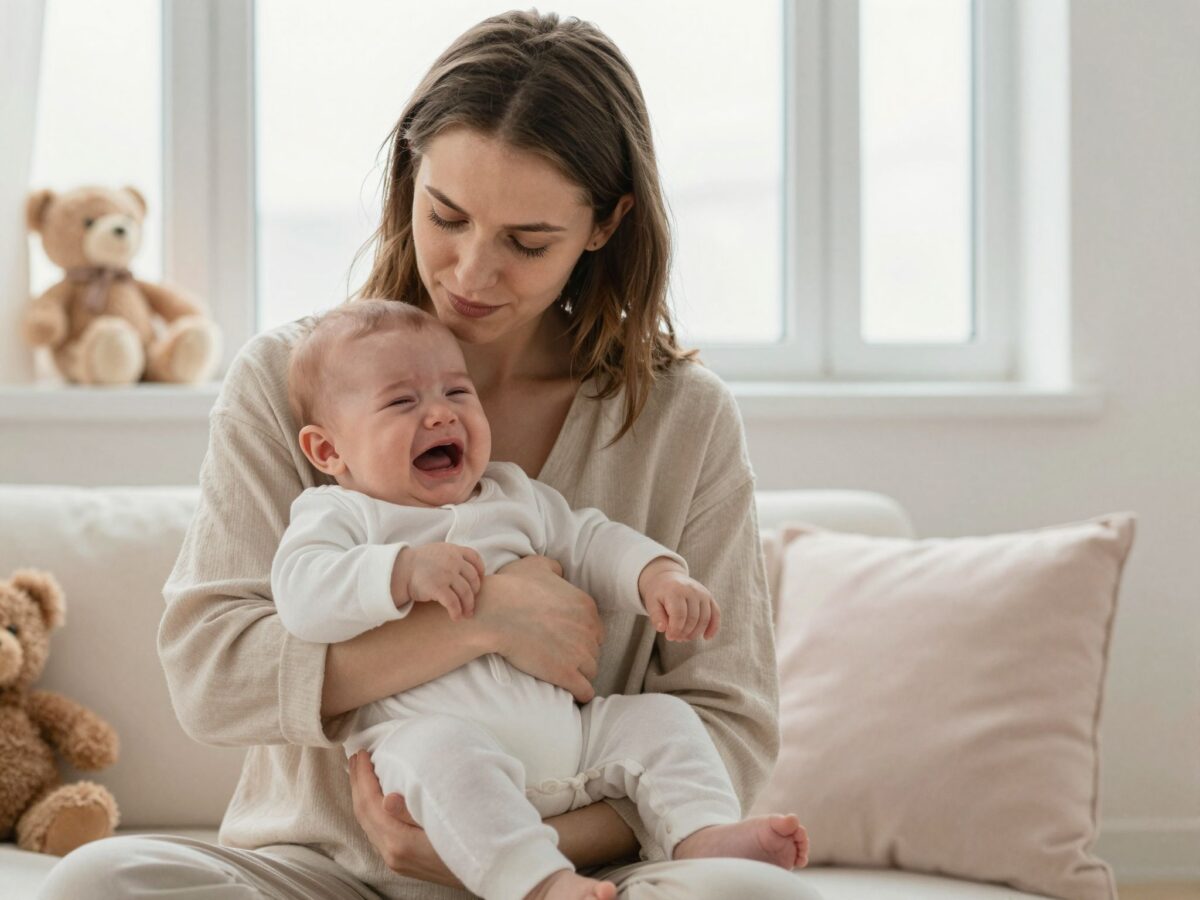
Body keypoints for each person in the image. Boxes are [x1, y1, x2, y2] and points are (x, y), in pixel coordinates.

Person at [40, 10, 823, 899]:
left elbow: (730, 719)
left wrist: (511, 846)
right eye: (445, 215)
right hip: (322, 871)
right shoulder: (290, 383)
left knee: (755, 894)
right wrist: (481, 620)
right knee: (96, 883)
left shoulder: (683, 418)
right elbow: (215, 674)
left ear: (607, 224)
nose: (471, 273)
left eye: (529, 243)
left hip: (590, 879)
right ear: (407, 178)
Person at [271, 300, 809, 900]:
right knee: (442, 754)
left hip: (574, 744)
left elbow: (590, 539)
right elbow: (300, 593)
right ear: (327, 452)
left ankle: (701, 833)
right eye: (402, 402)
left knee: (662, 721)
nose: (440, 415)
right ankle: (540, 883)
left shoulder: (510, 492)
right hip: (432, 748)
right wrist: (398, 572)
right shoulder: (340, 514)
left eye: (457, 392)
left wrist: (657, 575)